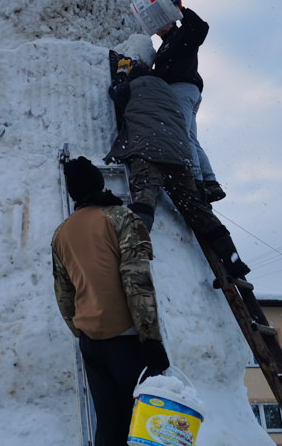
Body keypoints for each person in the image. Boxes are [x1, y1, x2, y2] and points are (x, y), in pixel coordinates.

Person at [52, 156, 170, 446]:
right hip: (128, 339)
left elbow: (64, 295)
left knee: (109, 426)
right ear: (99, 183)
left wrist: (82, 330)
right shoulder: (121, 218)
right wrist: (151, 340)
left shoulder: (61, 233)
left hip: (92, 342)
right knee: (142, 426)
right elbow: (136, 281)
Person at [104, 60, 251, 280]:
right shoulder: (168, 91)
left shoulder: (136, 86)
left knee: (144, 201)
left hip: (148, 151)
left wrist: (122, 75)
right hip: (179, 158)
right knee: (198, 210)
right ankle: (233, 260)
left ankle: (134, 256)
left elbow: (116, 94)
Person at [152, 0, 226, 202]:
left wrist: (180, 10)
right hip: (186, 92)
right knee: (191, 138)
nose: (159, 28)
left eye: (163, 22)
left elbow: (200, 28)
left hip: (182, 89)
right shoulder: (165, 45)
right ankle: (211, 182)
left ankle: (195, 181)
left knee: (181, 135)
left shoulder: (182, 34)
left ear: (171, 21)